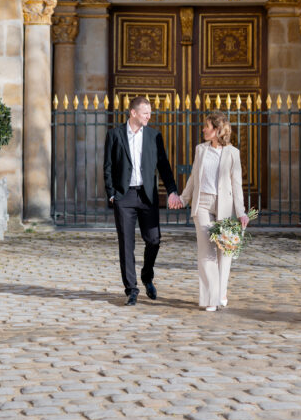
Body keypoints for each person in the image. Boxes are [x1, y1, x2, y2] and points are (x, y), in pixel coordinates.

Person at [103, 95, 182, 305]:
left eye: (149, 113)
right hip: (124, 196)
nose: (149, 116)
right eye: (146, 113)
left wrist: (173, 190)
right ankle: (131, 289)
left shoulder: (154, 136)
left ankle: (147, 276)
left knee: (154, 239)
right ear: (134, 113)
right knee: (126, 244)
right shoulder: (115, 135)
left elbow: (163, 166)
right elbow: (108, 166)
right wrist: (112, 194)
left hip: (147, 196)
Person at [180, 110, 249, 312]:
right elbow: (193, 177)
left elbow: (237, 184)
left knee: (224, 251)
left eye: (207, 126)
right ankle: (211, 298)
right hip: (202, 203)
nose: (203, 129)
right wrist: (184, 198)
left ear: (217, 130)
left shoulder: (233, 153)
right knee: (206, 251)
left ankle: (221, 292)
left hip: (224, 205)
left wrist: (242, 212)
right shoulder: (200, 149)